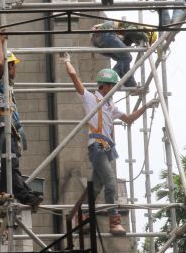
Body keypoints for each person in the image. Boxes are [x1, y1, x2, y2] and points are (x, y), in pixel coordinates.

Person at [61, 53, 159, 235]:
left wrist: (147, 106)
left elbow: (128, 119)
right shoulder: (92, 99)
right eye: (112, 86)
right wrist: (67, 61)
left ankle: (81, 216)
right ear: (104, 86)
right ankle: (114, 221)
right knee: (111, 183)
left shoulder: (110, 106)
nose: (114, 89)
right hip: (96, 148)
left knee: (97, 187)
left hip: (106, 150)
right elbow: (75, 79)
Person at [0, 34, 42, 217]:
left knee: (9, 165)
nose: (16, 70)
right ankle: (25, 195)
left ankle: (3, 200)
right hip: (3, 130)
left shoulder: (8, 85)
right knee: (10, 164)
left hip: (10, 130)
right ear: (9, 66)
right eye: (14, 66)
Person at [90, 20, 157, 88]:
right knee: (127, 58)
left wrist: (132, 86)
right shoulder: (135, 26)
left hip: (98, 40)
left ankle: (131, 85)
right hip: (106, 34)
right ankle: (108, 78)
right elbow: (130, 31)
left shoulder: (127, 36)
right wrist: (143, 36)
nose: (139, 43)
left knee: (123, 61)